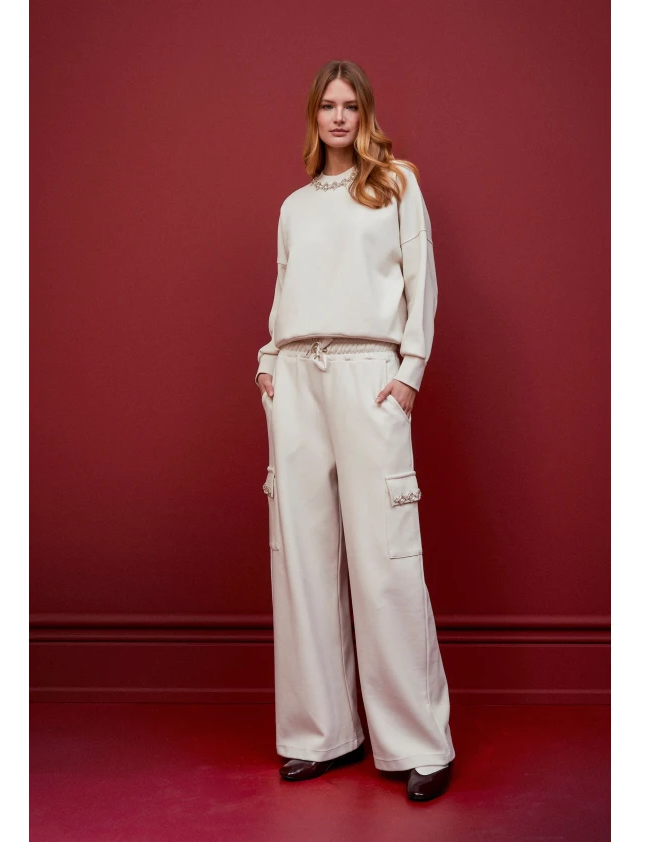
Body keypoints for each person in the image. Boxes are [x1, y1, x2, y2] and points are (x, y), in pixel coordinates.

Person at [255, 60, 455, 803]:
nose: (338, 117)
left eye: (349, 106)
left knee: (385, 559)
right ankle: (322, 734)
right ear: (313, 116)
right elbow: (285, 291)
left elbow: (421, 280)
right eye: (326, 106)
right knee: (302, 561)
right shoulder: (294, 206)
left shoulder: (396, 184)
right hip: (296, 379)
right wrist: (268, 362)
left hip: (370, 375)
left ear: (365, 114)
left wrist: (410, 372)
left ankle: (420, 743)